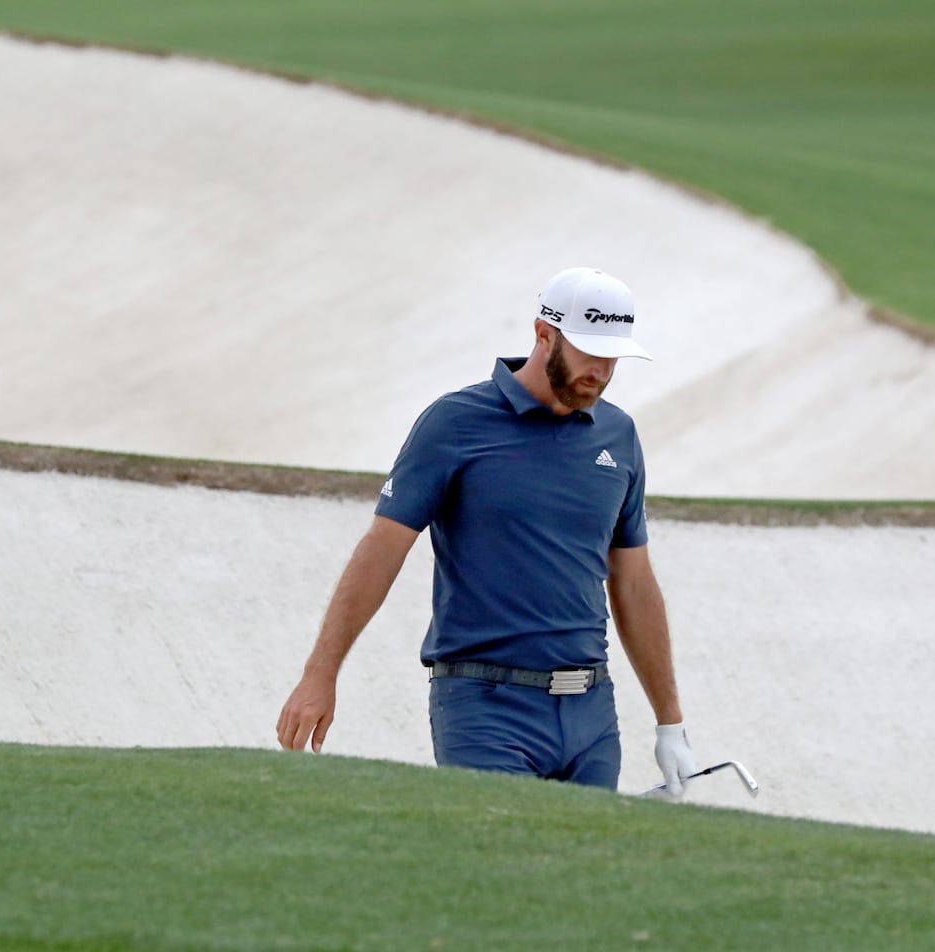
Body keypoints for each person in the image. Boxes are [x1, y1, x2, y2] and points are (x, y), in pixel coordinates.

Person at [276, 267, 699, 794]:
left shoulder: (619, 435)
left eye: (613, 356)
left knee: (581, 873)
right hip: (484, 707)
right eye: (590, 351)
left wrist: (670, 721)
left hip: (592, 712)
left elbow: (634, 586)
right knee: (507, 864)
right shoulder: (455, 423)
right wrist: (321, 673)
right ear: (544, 333)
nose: (602, 370)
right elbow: (382, 551)